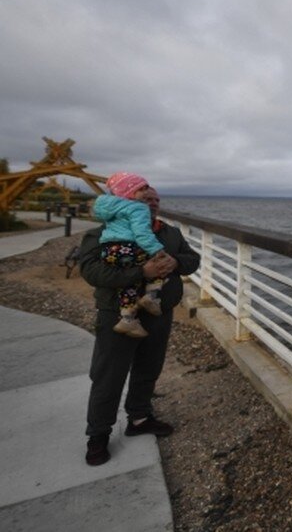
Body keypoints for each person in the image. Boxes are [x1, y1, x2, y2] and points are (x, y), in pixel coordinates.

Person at [81, 184, 200, 466]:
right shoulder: (102, 232)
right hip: (116, 314)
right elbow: (91, 270)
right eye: (147, 199)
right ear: (128, 200)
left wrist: (176, 262)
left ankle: (140, 418)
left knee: (149, 368)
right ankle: (98, 435)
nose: (154, 203)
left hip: (159, 311)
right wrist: (141, 272)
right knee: (108, 374)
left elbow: (193, 260)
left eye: (157, 200)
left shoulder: (169, 232)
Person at [93, 172, 170, 338]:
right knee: (159, 263)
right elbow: (142, 234)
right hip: (128, 248)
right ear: (129, 191)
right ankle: (151, 296)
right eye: (142, 190)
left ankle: (127, 320)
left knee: (127, 285)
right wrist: (158, 250)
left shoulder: (111, 208)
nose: (146, 196)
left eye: (156, 200)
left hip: (110, 250)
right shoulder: (138, 208)